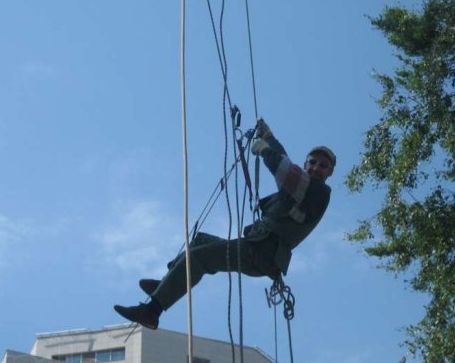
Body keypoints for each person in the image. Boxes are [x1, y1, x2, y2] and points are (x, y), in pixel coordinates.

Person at [114, 119, 335, 329]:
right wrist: (268, 136)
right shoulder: (297, 190)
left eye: (323, 165)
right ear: (306, 163)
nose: (316, 167)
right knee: (200, 240)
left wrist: (265, 149)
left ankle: (152, 312)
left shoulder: (318, 193)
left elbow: (287, 170)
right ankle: (167, 284)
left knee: (198, 259)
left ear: (329, 172)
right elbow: (285, 161)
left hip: (263, 254)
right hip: (255, 247)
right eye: (312, 162)